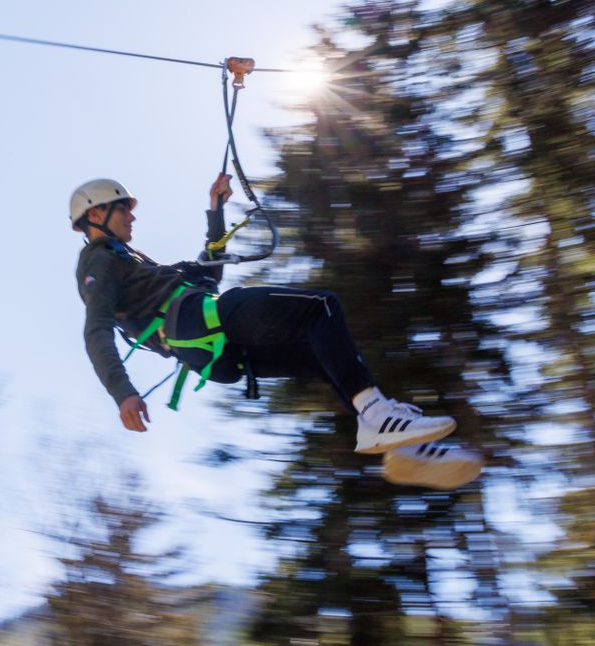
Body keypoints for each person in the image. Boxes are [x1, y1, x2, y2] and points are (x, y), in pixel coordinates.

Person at [71, 175, 482, 489]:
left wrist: (215, 209)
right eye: (122, 208)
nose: (132, 214)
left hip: (209, 352)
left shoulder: (131, 262)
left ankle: (400, 448)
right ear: (95, 215)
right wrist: (122, 391)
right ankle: (377, 417)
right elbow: (97, 330)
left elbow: (209, 275)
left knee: (320, 354)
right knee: (321, 308)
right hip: (197, 322)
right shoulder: (99, 262)